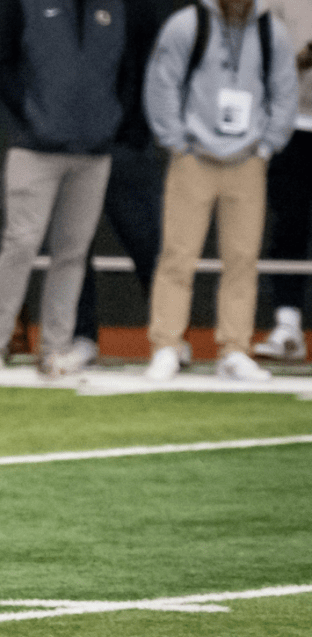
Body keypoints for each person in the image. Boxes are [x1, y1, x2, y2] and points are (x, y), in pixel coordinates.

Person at [143, 0, 298, 381]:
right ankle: (166, 345)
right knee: (177, 256)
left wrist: (267, 146)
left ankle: (235, 349)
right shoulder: (187, 24)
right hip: (194, 158)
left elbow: (285, 89)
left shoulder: (271, 32)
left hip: (247, 161)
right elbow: (162, 83)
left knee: (242, 259)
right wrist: (176, 142)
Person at [0, 0, 128, 377]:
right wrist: (31, 114)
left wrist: (109, 120)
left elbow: (127, 70)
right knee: (20, 243)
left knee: (73, 252)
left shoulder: (114, 7)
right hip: (34, 149)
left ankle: (56, 347)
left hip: (93, 152)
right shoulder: (26, 4)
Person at [67, 0, 179, 370]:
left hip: (124, 145)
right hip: (71, 144)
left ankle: (169, 337)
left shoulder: (139, 7)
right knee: (73, 246)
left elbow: (151, 66)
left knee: (148, 243)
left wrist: (132, 130)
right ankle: (81, 337)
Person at [252, 0, 312, 363]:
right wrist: (301, 60)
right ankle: (288, 327)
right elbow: (259, 63)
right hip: (292, 124)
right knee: (290, 225)